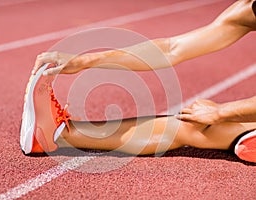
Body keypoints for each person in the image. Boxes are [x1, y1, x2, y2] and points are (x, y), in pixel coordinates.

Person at [20, 0, 256, 162]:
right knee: (192, 121)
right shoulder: (247, 10)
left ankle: (57, 136)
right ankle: (55, 135)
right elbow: (172, 49)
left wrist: (222, 112)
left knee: (195, 126)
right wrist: (85, 61)